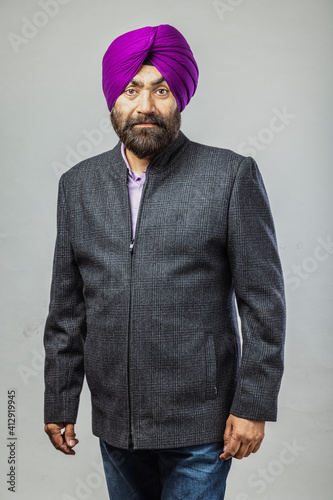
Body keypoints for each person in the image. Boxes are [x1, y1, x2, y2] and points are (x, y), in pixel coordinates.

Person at [43, 24, 286, 500]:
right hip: (117, 422)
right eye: (131, 90)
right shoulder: (78, 185)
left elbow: (264, 303)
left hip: (203, 423)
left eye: (162, 90)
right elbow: (67, 309)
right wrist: (59, 398)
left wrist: (254, 405)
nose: (146, 106)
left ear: (180, 98)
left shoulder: (230, 176)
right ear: (114, 99)